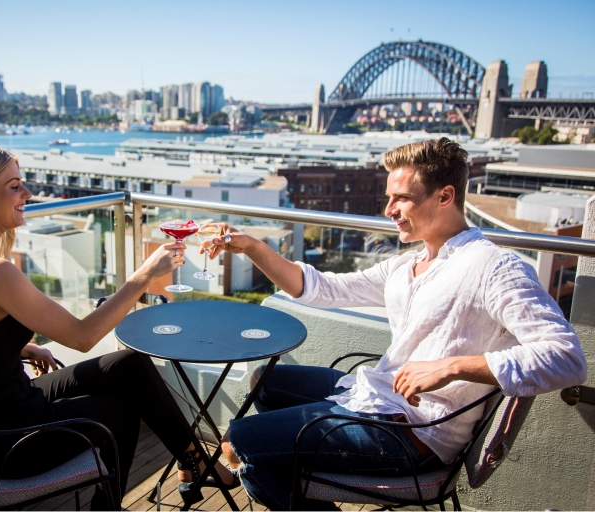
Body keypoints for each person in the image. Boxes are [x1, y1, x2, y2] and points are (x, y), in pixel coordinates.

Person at [201, 137, 587, 510]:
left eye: (401, 198)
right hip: (377, 397)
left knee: (242, 448)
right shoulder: (410, 265)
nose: (389, 209)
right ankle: (297, 461)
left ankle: (279, 465)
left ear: (445, 196)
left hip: (416, 432)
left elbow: (567, 358)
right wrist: (251, 246)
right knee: (265, 383)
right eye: (389, 197)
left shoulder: (494, 267)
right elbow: (321, 288)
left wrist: (451, 367)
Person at [0, 140, 235, 509]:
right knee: (119, 411)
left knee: (126, 366)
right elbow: (83, 337)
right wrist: (145, 275)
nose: (28, 193)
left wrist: (19, 347)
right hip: (9, 439)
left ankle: (192, 460)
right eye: (15, 186)